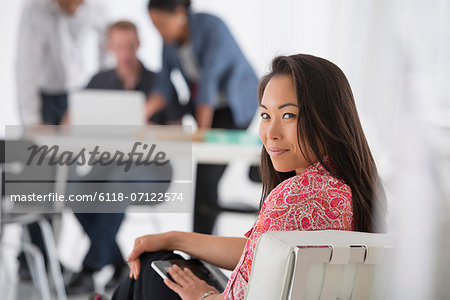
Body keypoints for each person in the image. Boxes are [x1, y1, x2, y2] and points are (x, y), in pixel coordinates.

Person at [108, 54, 387, 300]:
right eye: (265, 116)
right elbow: (260, 254)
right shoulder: (353, 188)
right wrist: (173, 238)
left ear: (327, 118)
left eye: (288, 115)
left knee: (151, 266)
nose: (271, 133)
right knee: (169, 261)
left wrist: (203, 295)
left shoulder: (294, 196)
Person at [64, 20, 180, 295]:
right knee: (74, 190)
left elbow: (178, 133)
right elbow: (68, 120)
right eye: (118, 47)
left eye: (130, 46)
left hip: (152, 172)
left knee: (117, 183)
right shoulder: (99, 81)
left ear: (139, 45)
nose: (125, 54)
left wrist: (154, 132)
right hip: (108, 166)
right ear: (109, 48)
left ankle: (90, 268)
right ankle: (117, 262)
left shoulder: (159, 82)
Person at [145, 0, 259, 234]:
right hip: (205, 106)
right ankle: (203, 245)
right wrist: (141, 113)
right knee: (205, 179)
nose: (159, 30)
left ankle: (201, 249)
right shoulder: (168, 43)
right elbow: (164, 84)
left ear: (180, 13)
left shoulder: (211, 27)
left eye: (162, 23)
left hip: (235, 104)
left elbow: (209, 81)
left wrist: (202, 135)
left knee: (206, 176)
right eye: (154, 25)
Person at [15, 0, 109, 281]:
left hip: (79, 97)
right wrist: (33, 121)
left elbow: (108, 49)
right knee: (38, 181)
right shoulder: (35, 10)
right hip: (45, 101)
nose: (76, 7)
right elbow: (26, 67)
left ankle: (94, 256)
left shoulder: (95, 8)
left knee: (70, 182)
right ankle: (35, 259)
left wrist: (106, 91)